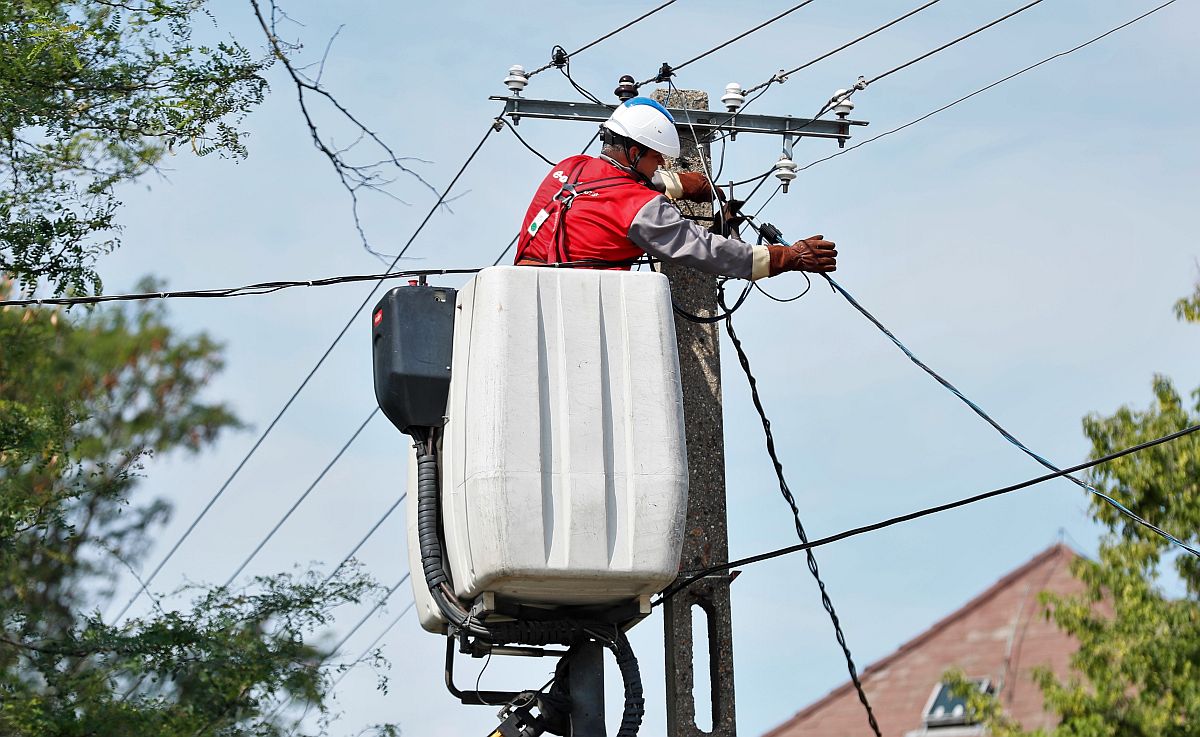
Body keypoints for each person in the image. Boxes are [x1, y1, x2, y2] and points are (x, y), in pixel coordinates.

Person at [513, 96, 837, 280]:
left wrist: (677, 183)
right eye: (657, 157)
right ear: (634, 150)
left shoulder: (570, 167)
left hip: (525, 288)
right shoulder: (641, 209)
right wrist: (786, 257)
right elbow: (707, 250)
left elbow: (608, 190)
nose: (662, 166)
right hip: (578, 306)